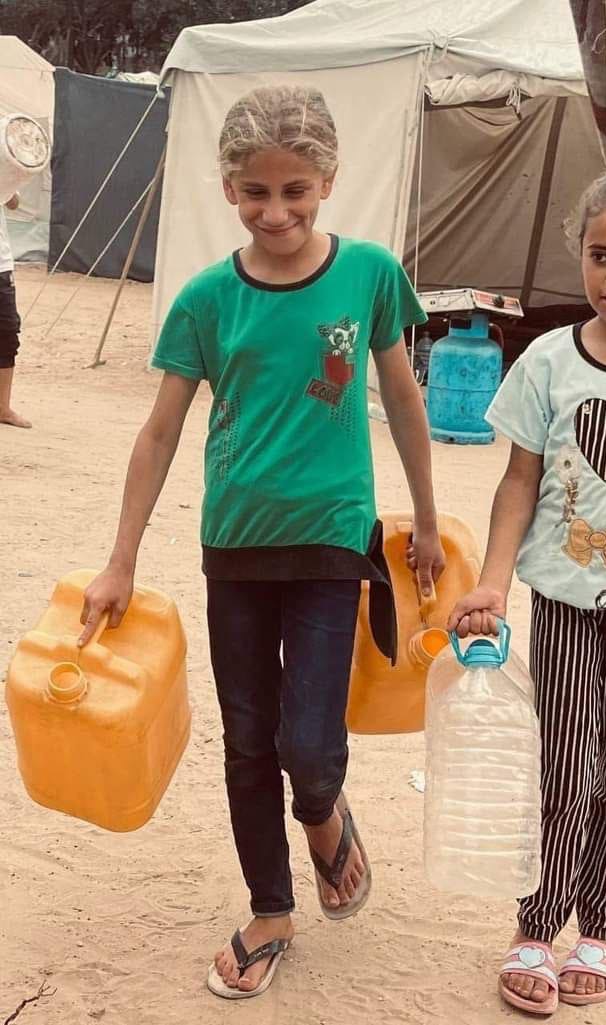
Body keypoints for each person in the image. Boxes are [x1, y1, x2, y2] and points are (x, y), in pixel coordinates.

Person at [79, 85, 445, 1000]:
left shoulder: (368, 275)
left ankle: (321, 811)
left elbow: (403, 397)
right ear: (228, 188)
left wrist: (429, 518)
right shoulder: (206, 300)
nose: (275, 212)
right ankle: (271, 907)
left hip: (332, 541)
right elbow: (160, 431)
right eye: (254, 192)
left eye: (294, 190)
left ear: (328, 180)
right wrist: (121, 558)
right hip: (235, 549)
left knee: (307, 742)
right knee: (248, 737)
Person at [449, 173, 606, 1015]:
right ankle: (537, 923)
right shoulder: (548, 360)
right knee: (565, 764)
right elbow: (519, 481)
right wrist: (491, 581)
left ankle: (604, 925)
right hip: (567, 603)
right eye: (601, 255)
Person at [0, 191, 30, 428]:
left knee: (7, 334)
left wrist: (6, 186)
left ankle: (2, 408)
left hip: (1, 265)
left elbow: (14, 203)